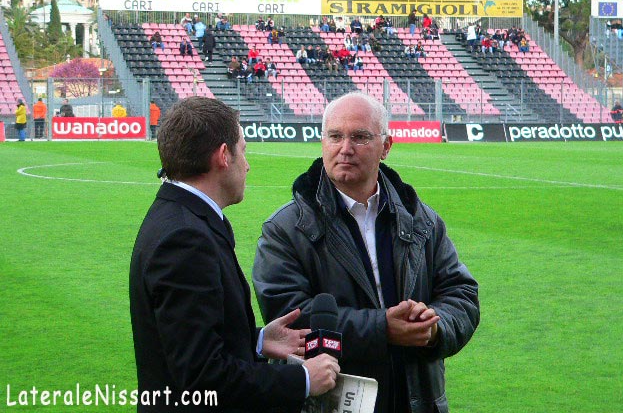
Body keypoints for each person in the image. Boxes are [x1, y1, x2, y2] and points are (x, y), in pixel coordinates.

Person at [253, 92, 480, 413]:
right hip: (328, 403)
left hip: (416, 400)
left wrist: (433, 328)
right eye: (335, 136)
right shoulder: (285, 228)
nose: (345, 148)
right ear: (322, 142)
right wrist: (382, 328)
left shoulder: (421, 219)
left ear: (386, 146)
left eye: (359, 137)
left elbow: (461, 294)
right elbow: (291, 317)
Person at [130, 97, 339, 412]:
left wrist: (257, 340)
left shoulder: (181, 217)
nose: (248, 164)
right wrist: (303, 379)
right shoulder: (185, 238)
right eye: (243, 150)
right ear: (223, 156)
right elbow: (203, 377)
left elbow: (189, 338)